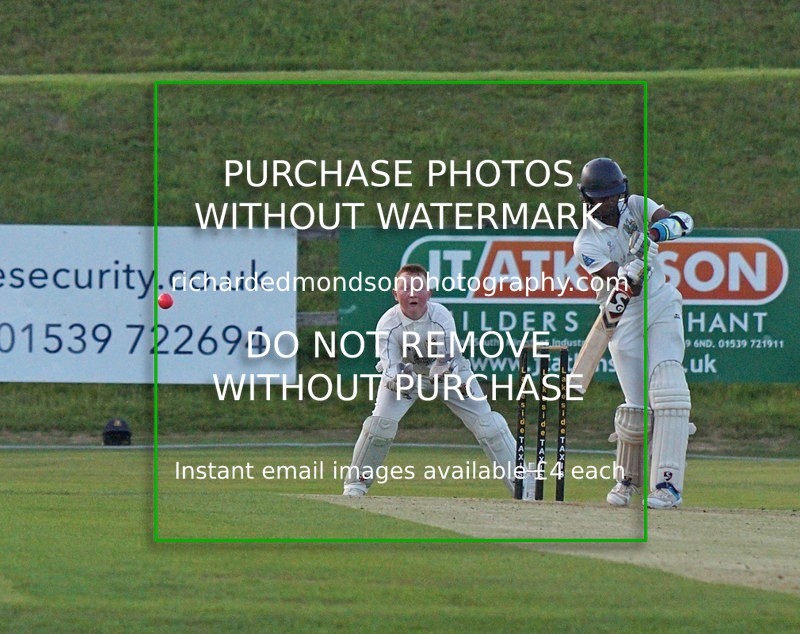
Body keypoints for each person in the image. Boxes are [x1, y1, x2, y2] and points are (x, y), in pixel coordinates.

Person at [573, 157, 694, 509]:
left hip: (662, 305)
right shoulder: (586, 245)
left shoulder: (639, 206)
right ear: (587, 198)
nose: (609, 203)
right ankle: (627, 481)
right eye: (602, 197)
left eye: (613, 195)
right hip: (623, 317)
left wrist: (654, 235)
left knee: (670, 393)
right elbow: (628, 289)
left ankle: (667, 487)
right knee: (637, 411)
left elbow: (683, 221)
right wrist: (632, 268)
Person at [342, 263, 518, 497]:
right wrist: (401, 380)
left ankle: (523, 486)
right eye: (405, 288)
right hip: (408, 377)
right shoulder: (387, 324)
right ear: (396, 295)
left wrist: (442, 375)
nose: (412, 293)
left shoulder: (441, 316)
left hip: (450, 375)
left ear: (429, 292)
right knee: (379, 426)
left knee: (490, 425)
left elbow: (446, 359)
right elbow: (391, 368)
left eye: (418, 287)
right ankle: (355, 486)